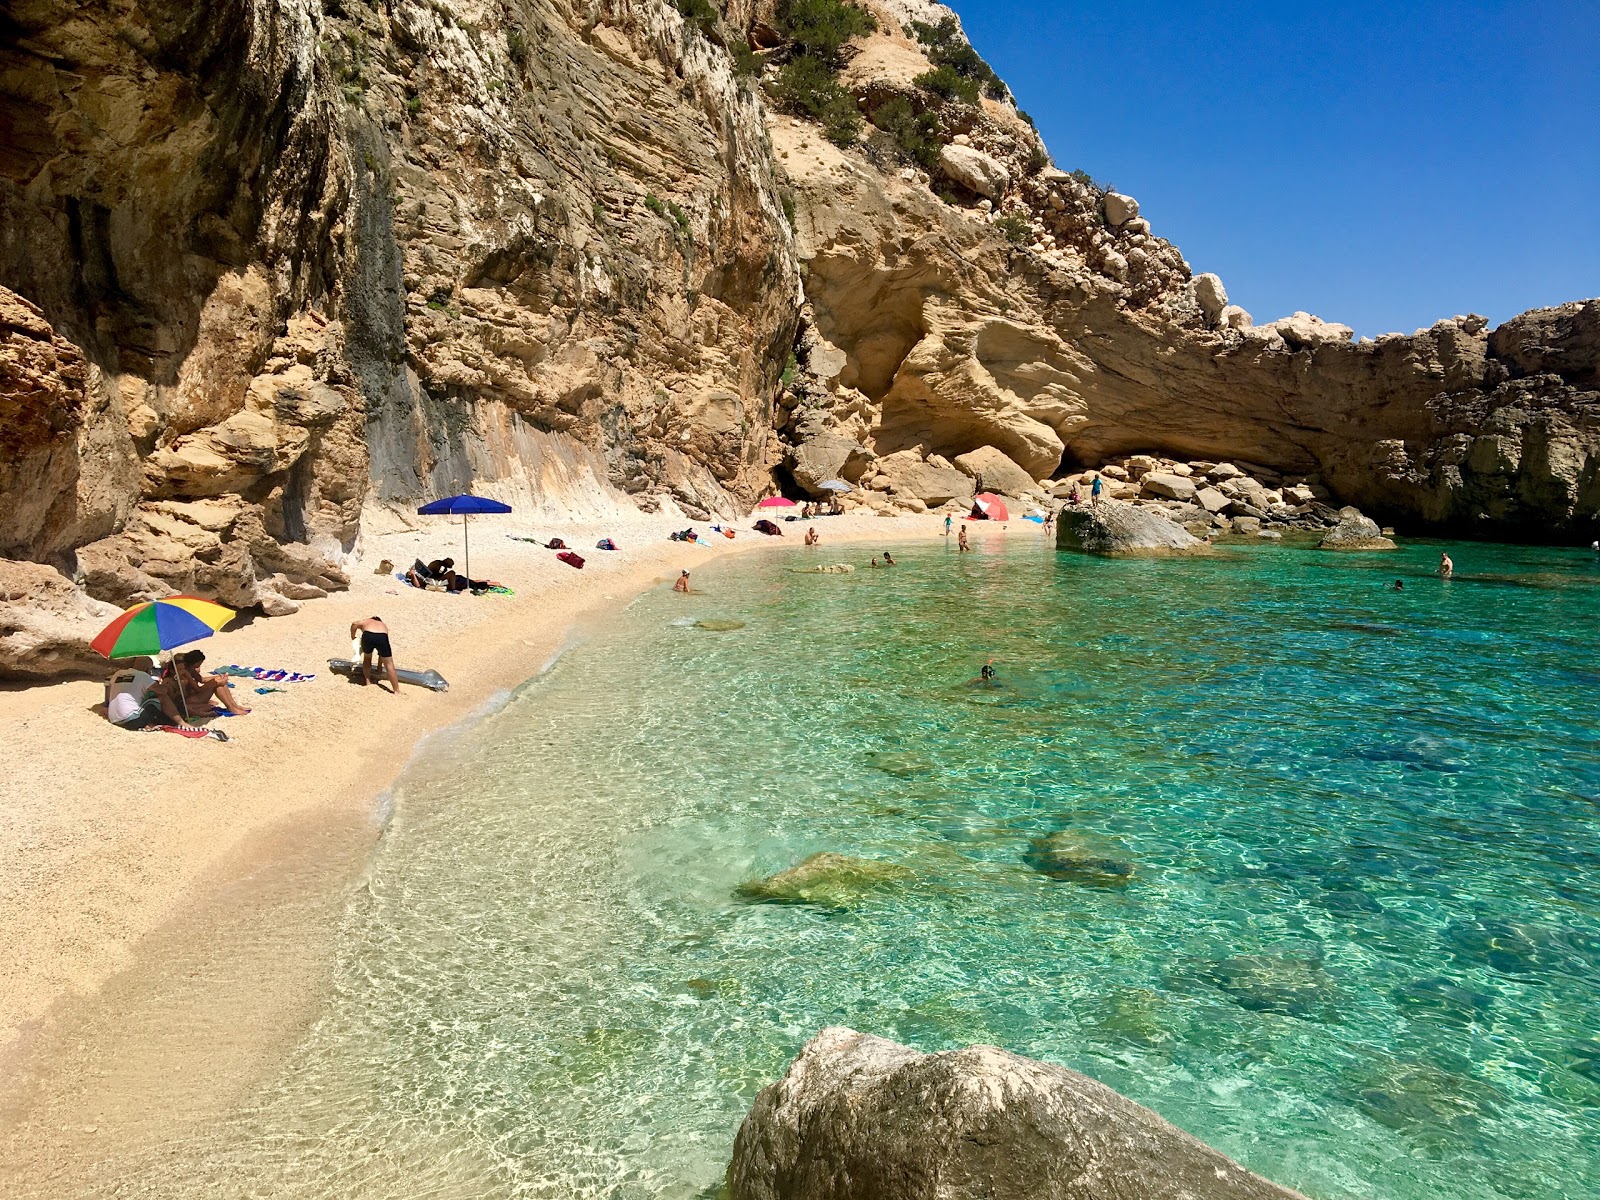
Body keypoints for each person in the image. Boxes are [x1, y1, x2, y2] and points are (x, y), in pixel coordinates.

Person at [105, 656, 184, 730]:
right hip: (132, 719)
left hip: (114, 719)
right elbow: (162, 691)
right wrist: (167, 684)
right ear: (148, 668)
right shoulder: (142, 675)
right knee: (162, 698)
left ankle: (150, 723)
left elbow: (109, 694)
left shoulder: (118, 673)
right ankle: (181, 722)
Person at [161, 650, 250, 715]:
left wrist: (217, 678)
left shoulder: (186, 671)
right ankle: (232, 708)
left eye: (183, 668)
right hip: (187, 701)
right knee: (218, 683)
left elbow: (201, 680)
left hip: (191, 698)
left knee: (220, 683)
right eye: (180, 669)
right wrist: (214, 681)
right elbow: (197, 689)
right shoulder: (177, 676)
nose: (199, 667)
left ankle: (234, 706)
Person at [351, 616, 401, 694]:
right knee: (389, 664)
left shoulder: (366, 621)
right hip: (382, 636)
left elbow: (354, 623)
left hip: (368, 635)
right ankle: (396, 690)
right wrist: (379, 666)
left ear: (372, 618)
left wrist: (353, 636)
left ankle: (368, 682)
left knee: (367, 658)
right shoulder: (383, 625)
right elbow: (381, 654)